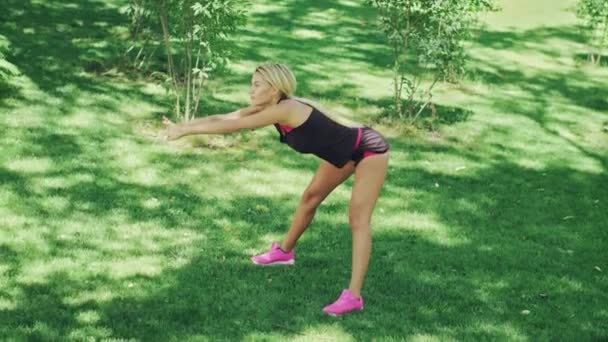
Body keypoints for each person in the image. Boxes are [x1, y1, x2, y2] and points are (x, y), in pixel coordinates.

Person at [163, 62, 390, 316]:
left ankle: (354, 296)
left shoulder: (285, 109)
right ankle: (284, 252)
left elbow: (236, 127)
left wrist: (185, 131)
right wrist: (184, 126)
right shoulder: (269, 107)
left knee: (358, 220)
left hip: (368, 149)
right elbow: (227, 118)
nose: (251, 90)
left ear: (274, 89)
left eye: (257, 85)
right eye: (251, 84)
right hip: (343, 152)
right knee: (310, 198)